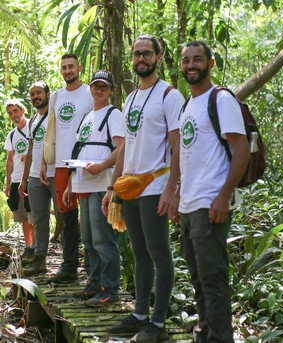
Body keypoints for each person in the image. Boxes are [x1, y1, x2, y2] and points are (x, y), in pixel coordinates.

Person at [102, 34, 184, 342]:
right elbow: (124, 148)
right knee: (139, 252)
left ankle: (158, 323)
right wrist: (113, 188)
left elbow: (177, 146)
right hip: (130, 188)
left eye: (147, 54)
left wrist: (172, 188)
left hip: (155, 185)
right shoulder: (132, 97)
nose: (140, 59)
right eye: (136, 54)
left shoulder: (170, 96)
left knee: (159, 252)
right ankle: (139, 314)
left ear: (159, 57)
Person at [173, 40, 250, 343]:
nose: (191, 65)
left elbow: (241, 149)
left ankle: (220, 338)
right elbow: (186, 153)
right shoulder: (188, 103)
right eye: (186, 60)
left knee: (213, 279)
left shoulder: (220, 99)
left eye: (197, 60)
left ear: (210, 63)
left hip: (211, 202)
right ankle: (206, 333)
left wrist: (223, 195)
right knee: (198, 278)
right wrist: (178, 195)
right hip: (191, 204)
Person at [64, 70, 124, 307]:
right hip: (84, 184)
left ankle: (110, 289)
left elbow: (121, 148)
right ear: (90, 88)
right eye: (95, 85)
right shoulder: (88, 116)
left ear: (111, 91)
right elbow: (79, 150)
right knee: (88, 240)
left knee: (103, 240)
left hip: (102, 185)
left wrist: (102, 166)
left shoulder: (114, 114)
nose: (98, 90)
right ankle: (94, 283)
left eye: (104, 87)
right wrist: (71, 184)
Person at [41, 54, 94, 283]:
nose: (67, 70)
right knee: (67, 216)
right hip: (62, 162)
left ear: (79, 68)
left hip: (87, 161)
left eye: (71, 66)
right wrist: (45, 160)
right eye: (63, 67)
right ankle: (69, 265)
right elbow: (50, 130)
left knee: (91, 216)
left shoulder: (90, 93)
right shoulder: (56, 96)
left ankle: (93, 267)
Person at [19, 81, 59, 276]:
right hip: (35, 175)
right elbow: (30, 149)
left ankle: (70, 260)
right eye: (33, 93)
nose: (36, 96)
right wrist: (24, 179)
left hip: (55, 172)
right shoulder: (33, 119)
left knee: (62, 217)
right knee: (39, 219)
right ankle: (40, 258)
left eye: (39, 93)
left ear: (48, 94)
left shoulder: (55, 115)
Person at [3, 99, 35, 263]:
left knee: (33, 213)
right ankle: (28, 247)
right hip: (16, 178)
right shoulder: (12, 135)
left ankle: (37, 248)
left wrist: (30, 155)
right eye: (10, 113)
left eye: (16, 111)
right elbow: (10, 160)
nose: (13, 115)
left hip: (31, 176)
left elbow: (42, 146)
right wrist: (8, 183)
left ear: (23, 111)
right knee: (22, 215)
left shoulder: (33, 126)